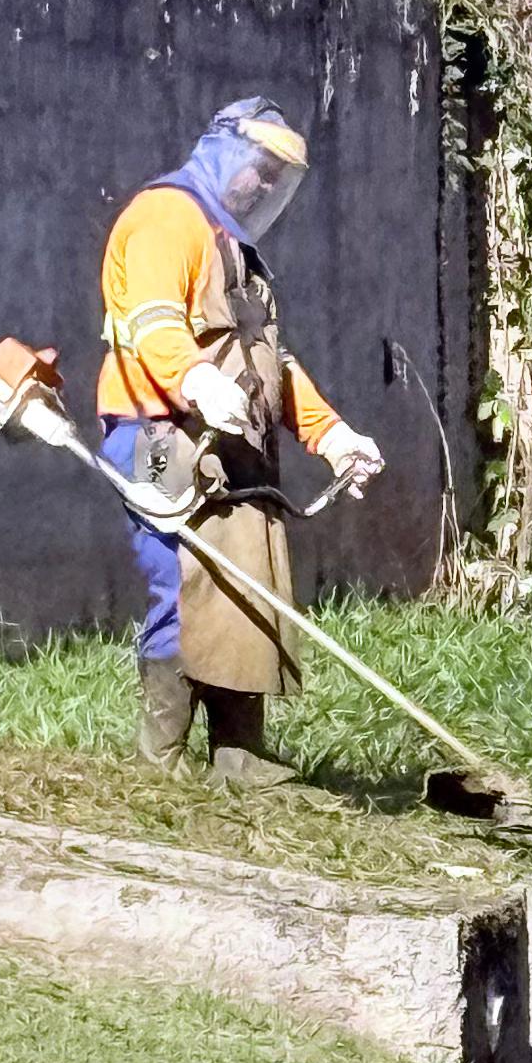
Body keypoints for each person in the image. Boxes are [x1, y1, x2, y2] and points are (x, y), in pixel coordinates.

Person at [98, 97, 382, 784]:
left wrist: (332, 434)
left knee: (244, 584)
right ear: (222, 151)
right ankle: (157, 764)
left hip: (229, 437)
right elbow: (155, 325)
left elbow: (267, 366)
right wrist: (196, 381)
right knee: (183, 581)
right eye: (258, 167)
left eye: (275, 178)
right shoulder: (166, 217)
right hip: (159, 430)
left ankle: (239, 756)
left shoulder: (239, 250)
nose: (262, 185)